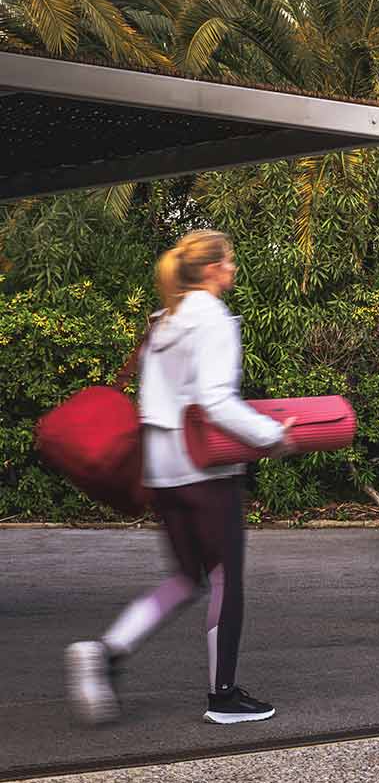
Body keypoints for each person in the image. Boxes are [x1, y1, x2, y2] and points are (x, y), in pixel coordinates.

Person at [65, 230, 294, 726]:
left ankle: (104, 652)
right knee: (225, 581)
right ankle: (224, 696)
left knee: (189, 577)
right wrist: (273, 436)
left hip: (163, 471)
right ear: (210, 269)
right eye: (229, 260)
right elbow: (213, 400)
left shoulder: (164, 319)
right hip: (206, 469)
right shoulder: (212, 319)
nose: (233, 268)